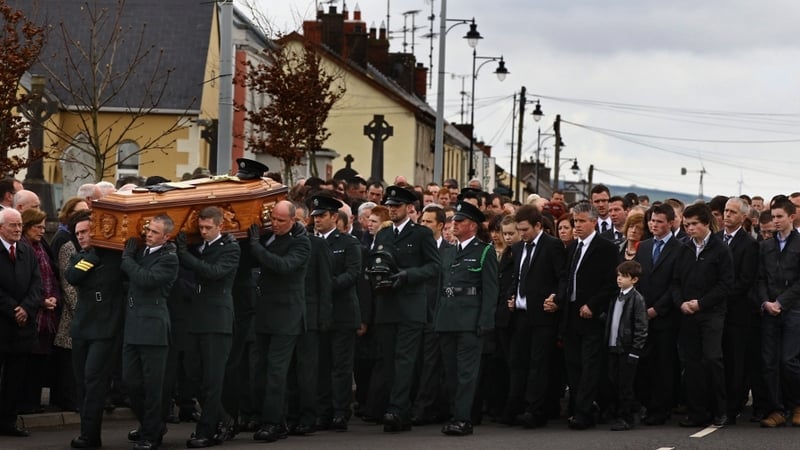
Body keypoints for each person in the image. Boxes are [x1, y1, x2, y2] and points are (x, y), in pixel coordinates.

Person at [366, 186, 440, 433]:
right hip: (387, 305)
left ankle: (398, 410)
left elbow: (434, 267)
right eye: (390, 205)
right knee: (388, 361)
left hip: (410, 306)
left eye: (396, 206)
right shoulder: (384, 235)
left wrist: (408, 274)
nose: (392, 209)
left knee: (405, 361)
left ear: (409, 208)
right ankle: (395, 408)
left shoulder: (421, 235)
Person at [174, 207, 241, 447]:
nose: (203, 232)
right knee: (193, 377)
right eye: (200, 228)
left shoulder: (231, 248)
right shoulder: (196, 246)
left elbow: (213, 272)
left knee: (212, 380)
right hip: (195, 320)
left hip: (217, 321)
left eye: (208, 228)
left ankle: (208, 430)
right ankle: (224, 419)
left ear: (219, 226)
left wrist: (185, 254)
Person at [247, 201, 311, 442]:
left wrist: (256, 247)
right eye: (273, 218)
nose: (274, 223)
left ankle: (273, 423)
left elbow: (283, 266)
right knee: (260, 370)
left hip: (287, 316)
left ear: (293, 221)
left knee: (276, 371)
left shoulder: (301, 243)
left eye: (281, 220)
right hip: (265, 313)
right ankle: (267, 416)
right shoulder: (268, 237)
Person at [434, 201, 498, 436]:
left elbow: (491, 290)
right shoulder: (450, 251)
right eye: (453, 221)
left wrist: (485, 321)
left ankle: (463, 418)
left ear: (472, 225)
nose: (454, 225)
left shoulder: (484, 251)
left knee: (466, 373)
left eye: (459, 222)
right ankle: (455, 414)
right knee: (450, 372)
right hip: (447, 318)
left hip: (470, 321)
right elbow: (442, 287)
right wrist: (437, 318)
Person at [64, 210, 125, 449]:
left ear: (96, 230)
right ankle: (88, 432)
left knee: (94, 381)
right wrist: (93, 257)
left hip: (105, 329)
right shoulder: (79, 257)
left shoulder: (114, 257)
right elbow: (73, 275)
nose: (80, 236)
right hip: (82, 328)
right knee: (82, 382)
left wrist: (98, 255)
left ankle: (90, 435)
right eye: (77, 233)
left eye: (85, 231)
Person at [120, 214, 180, 450]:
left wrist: (126, 258)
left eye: (154, 232)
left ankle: (152, 435)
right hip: (134, 325)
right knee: (130, 382)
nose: (148, 234)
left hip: (153, 328)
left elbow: (145, 279)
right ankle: (150, 425)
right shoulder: (143, 253)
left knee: (153, 385)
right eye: (148, 229)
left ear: (166, 237)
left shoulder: (169, 258)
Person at [504, 205, 567, 429]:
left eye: (525, 229)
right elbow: (518, 276)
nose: (522, 234)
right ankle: (515, 407)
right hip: (520, 314)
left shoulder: (552, 245)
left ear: (538, 226)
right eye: (519, 230)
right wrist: (511, 295)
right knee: (517, 362)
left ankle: (535, 410)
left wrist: (557, 300)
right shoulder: (519, 248)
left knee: (538, 365)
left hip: (542, 315)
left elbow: (563, 277)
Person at [673, 203, 733, 428]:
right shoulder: (683, 248)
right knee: (691, 363)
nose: (690, 229)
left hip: (712, 314)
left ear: (706, 223)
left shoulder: (720, 249)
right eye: (687, 225)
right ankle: (697, 412)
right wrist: (681, 303)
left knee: (712, 359)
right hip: (688, 313)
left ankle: (720, 410)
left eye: (694, 224)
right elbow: (676, 281)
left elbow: (725, 284)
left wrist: (701, 303)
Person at [563, 202, 618, 430]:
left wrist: (593, 305)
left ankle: (584, 412)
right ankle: (580, 406)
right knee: (573, 365)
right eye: (575, 221)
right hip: (571, 313)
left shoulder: (606, 248)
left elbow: (610, 283)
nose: (577, 226)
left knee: (590, 365)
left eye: (582, 222)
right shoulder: (573, 247)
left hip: (592, 316)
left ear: (594, 222)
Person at [312, 195, 361, 432]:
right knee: (321, 365)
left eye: (321, 216)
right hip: (320, 313)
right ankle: (323, 411)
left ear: (334, 217)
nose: (317, 220)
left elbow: (352, 274)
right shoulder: (311, 242)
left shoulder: (348, 243)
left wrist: (325, 285)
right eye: (315, 216)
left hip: (342, 313)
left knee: (340, 367)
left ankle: (341, 411)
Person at [633, 203, 681, 426]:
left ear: (671, 223)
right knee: (644, 363)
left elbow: (676, 285)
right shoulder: (643, 246)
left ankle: (661, 408)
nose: (654, 225)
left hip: (665, 317)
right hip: (643, 315)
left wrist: (657, 309)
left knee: (664, 364)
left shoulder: (680, 248)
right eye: (652, 220)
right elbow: (639, 279)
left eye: (659, 221)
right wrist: (641, 308)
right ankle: (647, 404)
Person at [758, 196, 800, 428]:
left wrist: (781, 302)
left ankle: (796, 404)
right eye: (773, 217)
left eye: (779, 217)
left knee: (788, 360)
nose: (775, 221)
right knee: (769, 362)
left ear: (791, 217)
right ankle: (777, 409)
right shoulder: (765, 246)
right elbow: (760, 278)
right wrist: (766, 302)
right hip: (769, 310)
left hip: (794, 310)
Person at [0, 208, 42, 437]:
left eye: (19, 225)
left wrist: (26, 307)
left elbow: (38, 283)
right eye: (12, 226)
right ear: (0, 228)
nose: (17, 229)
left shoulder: (27, 251)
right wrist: (12, 309)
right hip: (3, 323)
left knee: (15, 378)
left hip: (22, 328)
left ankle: (8, 420)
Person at [719, 197, 759, 422]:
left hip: (737, 313)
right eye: (725, 211)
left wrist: (719, 295)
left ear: (743, 217)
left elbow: (745, 280)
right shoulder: (715, 240)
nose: (727, 215)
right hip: (715, 312)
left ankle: (733, 406)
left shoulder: (749, 245)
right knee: (718, 358)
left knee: (735, 361)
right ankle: (718, 402)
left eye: (732, 212)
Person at [19, 208, 60, 415]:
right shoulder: (24, 248)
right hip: (34, 313)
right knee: (29, 362)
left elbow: (50, 276)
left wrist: (54, 297)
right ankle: (26, 402)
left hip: (47, 315)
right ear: (26, 227)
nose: (42, 231)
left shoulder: (41, 247)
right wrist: (41, 301)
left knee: (40, 361)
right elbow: (27, 281)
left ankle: (33, 402)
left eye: (44, 227)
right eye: (38, 227)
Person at [606, 260, 647, 431]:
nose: (619, 279)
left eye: (624, 276)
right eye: (618, 275)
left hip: (627, 348)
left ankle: (626, 417)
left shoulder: (637, 299)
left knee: (625, 384)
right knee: (614, 380)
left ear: (635, 279)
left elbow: (641, 325)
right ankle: (634, 408)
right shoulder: (616, 296)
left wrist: (636, 350)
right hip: (613, 346)